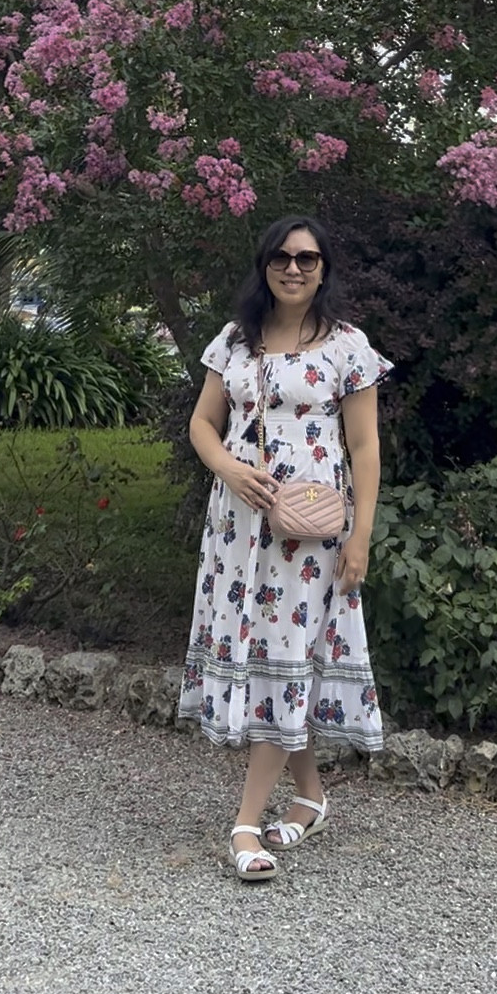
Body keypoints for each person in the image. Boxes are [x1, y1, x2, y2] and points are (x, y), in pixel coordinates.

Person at [178, 214, 390, 879]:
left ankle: (245, 826)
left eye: (307, 258)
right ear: (264, 264)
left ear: (324, 268)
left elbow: (364, 447)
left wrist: (362, 538)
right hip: (238, 533)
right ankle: (311, 796)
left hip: (311, 535)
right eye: (281, 257)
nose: (293, 268)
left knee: (285, 652)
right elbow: (202, 424)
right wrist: (230, 470)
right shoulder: (235, 343)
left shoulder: (347, 347)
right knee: (275, 655)